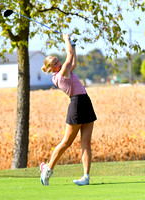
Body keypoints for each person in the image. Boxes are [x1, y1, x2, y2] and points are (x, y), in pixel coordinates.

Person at [40, 33, 97, 186]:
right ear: (51, 68)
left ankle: (86, 177)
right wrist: (66, 40)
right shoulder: (60, 74)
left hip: (86, 102)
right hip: (76, 105)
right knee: (66, 142)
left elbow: (74, 61)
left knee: (86, 143)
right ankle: (47, 169)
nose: (58, 62)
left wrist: (74, 45)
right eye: (55, 62)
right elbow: (70, 56)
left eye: (57, 60)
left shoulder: (65, 71)